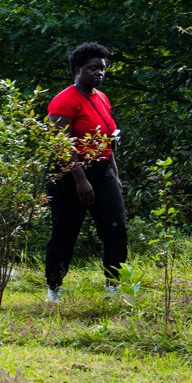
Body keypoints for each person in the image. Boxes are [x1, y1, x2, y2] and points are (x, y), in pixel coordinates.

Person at [44, 42, 126, 302]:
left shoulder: (101, 97)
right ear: (78, 70)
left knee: (116, 229)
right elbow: (61, 144)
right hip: (70, 175)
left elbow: (107, 139)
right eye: (93, 69)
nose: (99, 73)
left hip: (102, 171)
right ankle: (54, 289)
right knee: (65, 232)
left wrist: (115, 175)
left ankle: (113, 286)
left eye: (102, 69)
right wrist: (81, 181)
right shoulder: (64, 101)